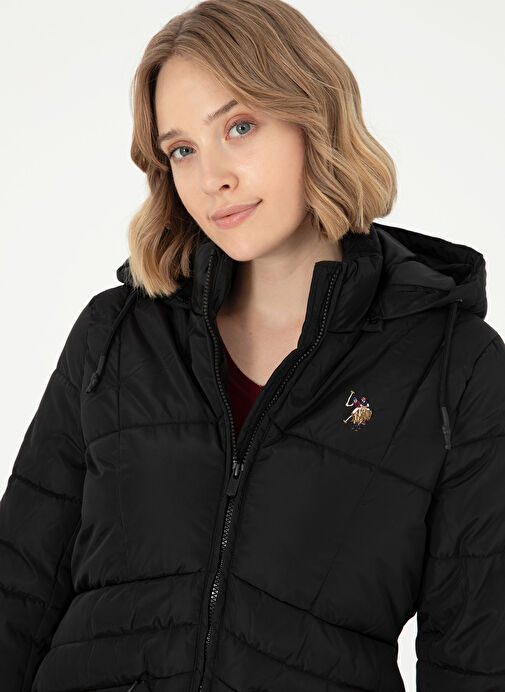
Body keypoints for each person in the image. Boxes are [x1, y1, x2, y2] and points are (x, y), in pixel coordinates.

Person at [1, 0, 504, 690]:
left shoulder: (452, 367)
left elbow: (478, 652)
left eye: (239, 127)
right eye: (182, 149)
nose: (212, 178)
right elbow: (19, 589)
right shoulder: (115, 333)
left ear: (313, 115)